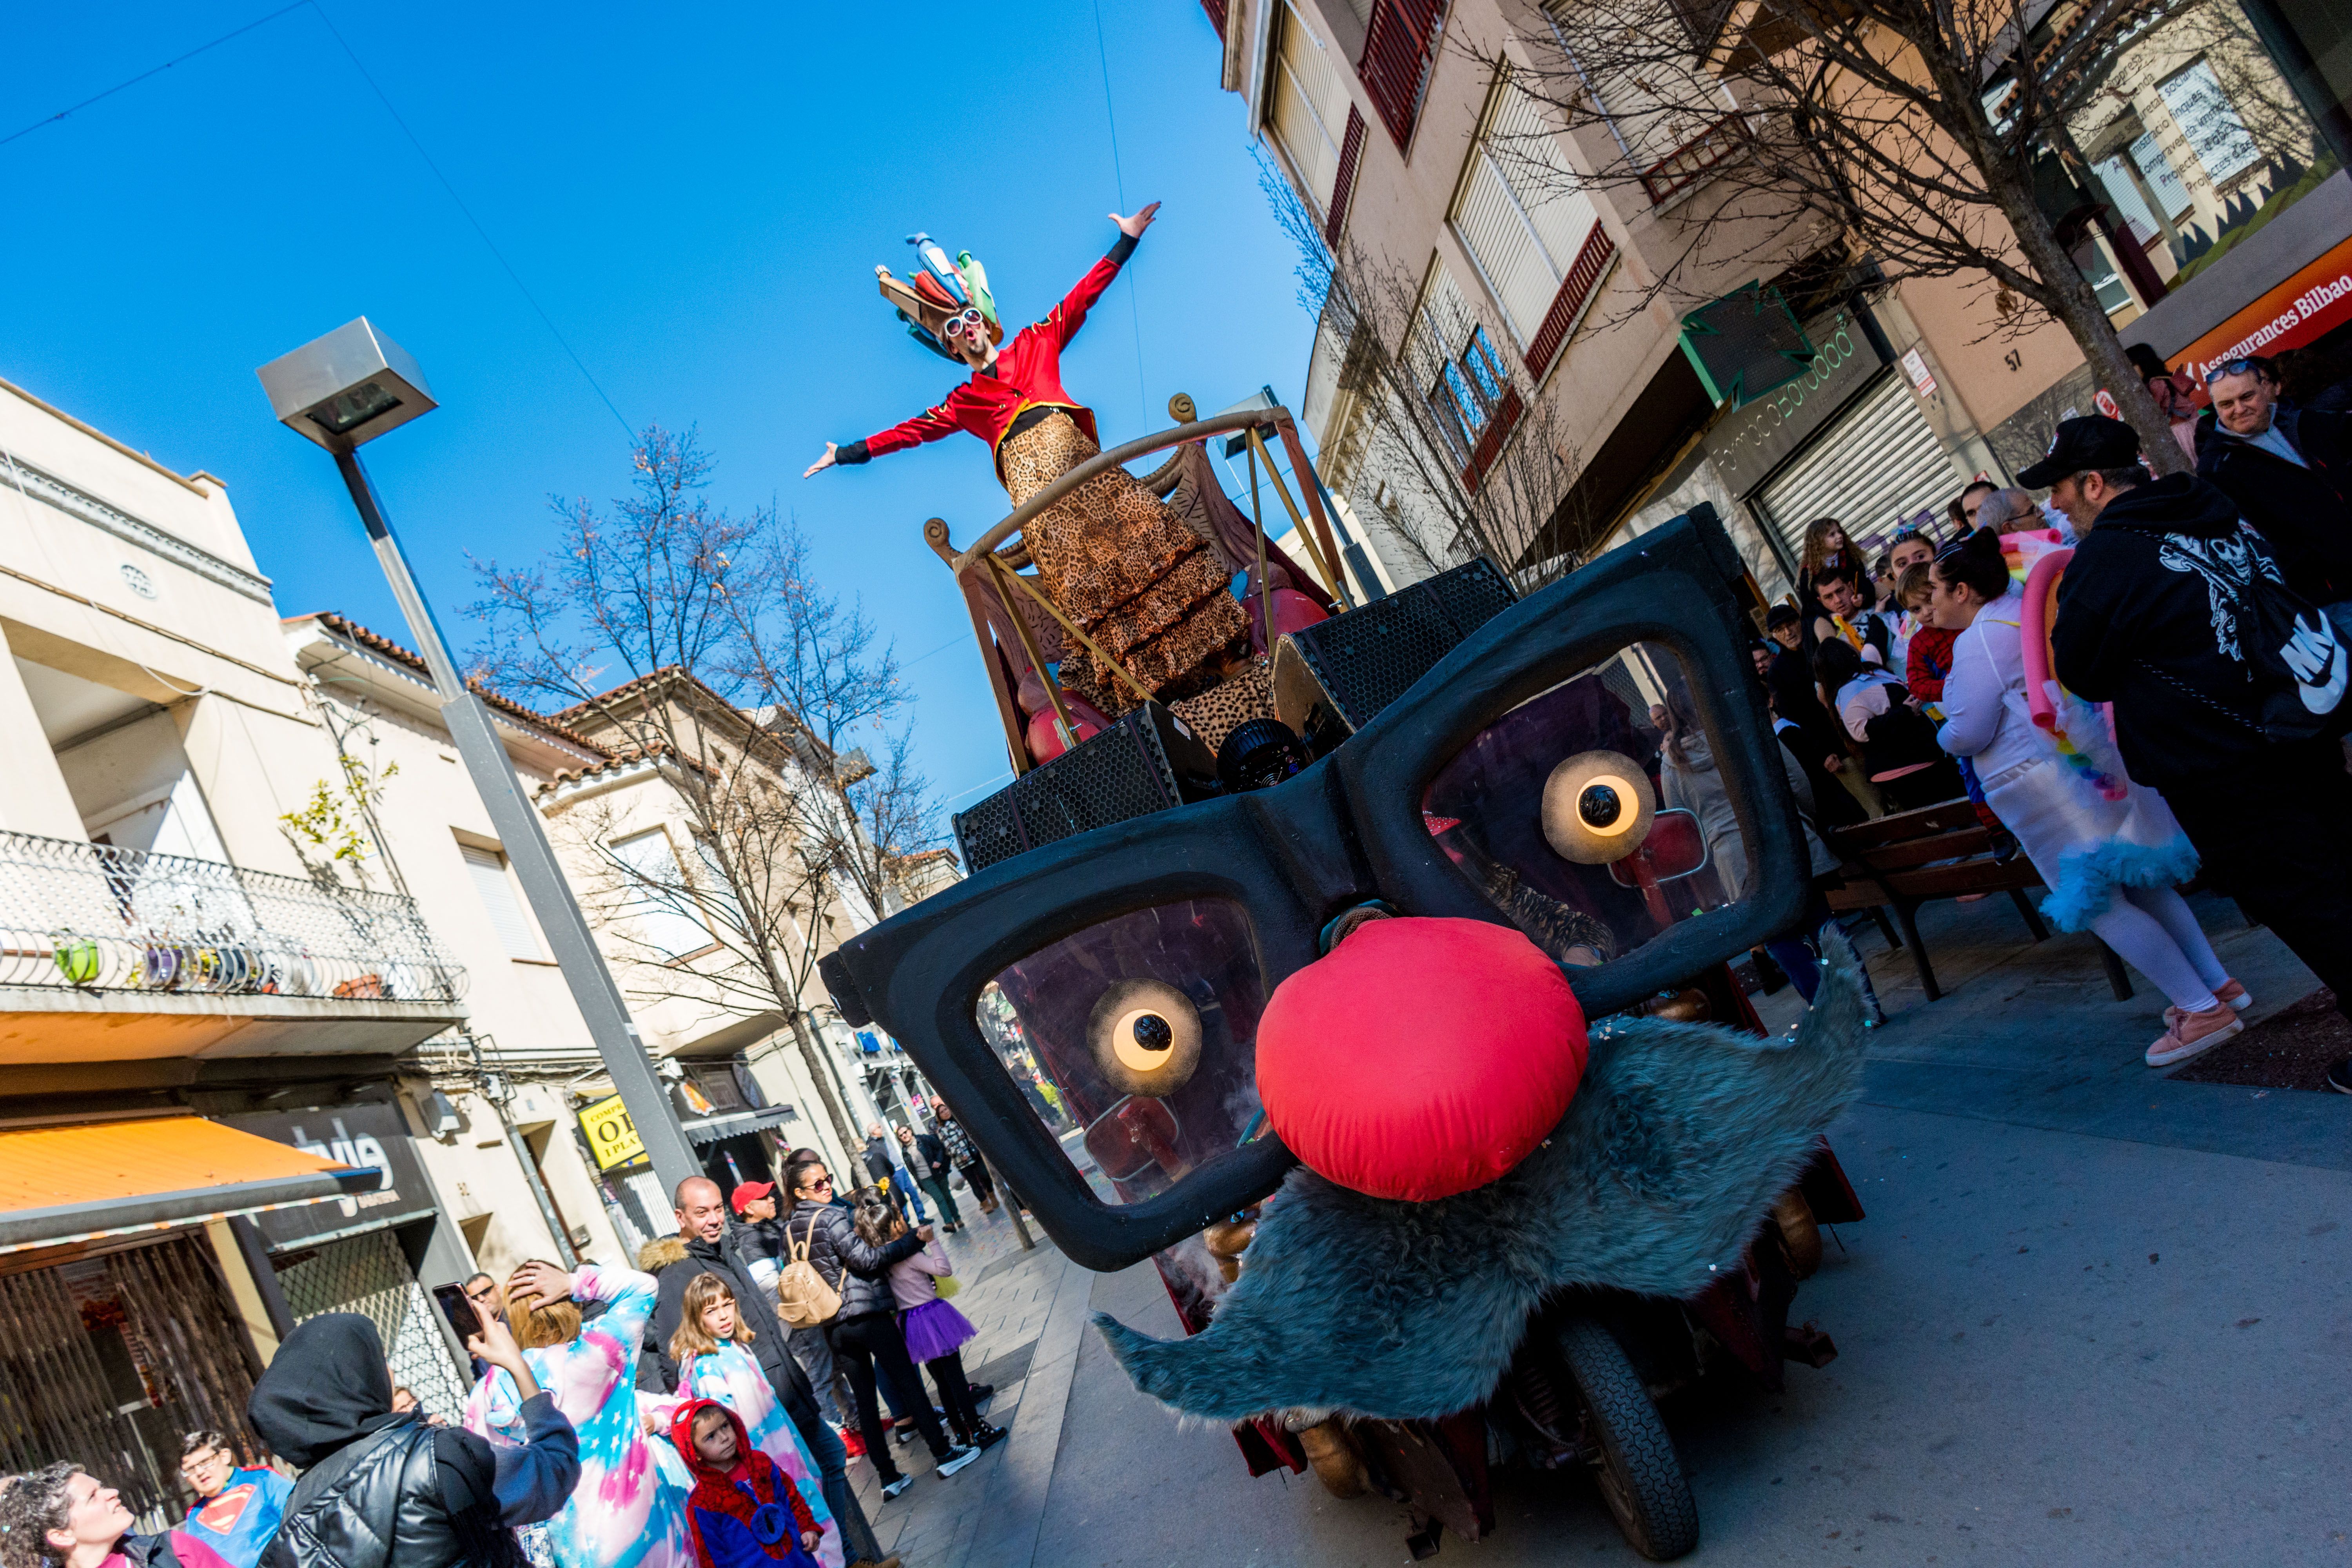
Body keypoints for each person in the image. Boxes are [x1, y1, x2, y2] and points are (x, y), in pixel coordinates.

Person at [806, 204, 1267, 750]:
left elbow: (1082, 300)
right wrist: (847, 454)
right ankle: (1149, 698)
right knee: (1094, 589)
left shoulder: (1035, 342)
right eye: (954, 328)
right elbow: (910, 433)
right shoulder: (963, 401)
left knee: (1150, 553)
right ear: (951, 346)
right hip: (1042, 504)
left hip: (1087, 474)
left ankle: (1222, 660)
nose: (967, 329)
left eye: (969, 317)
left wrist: (1125, 243)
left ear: (984, 319)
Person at [2042, 415, 2352, 1088]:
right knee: (2338, 865)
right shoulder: (2211, 508)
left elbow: (2083, 669)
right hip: (2297, 726)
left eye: (2062, 489)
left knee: (2309, 899)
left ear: (2094, 484)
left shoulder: (2107, 557)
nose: (2056, 504)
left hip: (2221, 764)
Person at [1932, 518, 2249, 1067]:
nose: (1927, 606)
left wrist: (1940, 727)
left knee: (2099, 901)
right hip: (2083, 767)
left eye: (1933, 592)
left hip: (2039, 786)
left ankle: (2201, 1008)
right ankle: (2217, 987)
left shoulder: (1981, 637)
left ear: (1962, 590)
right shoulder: (2025, 607)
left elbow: (1967, 730)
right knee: (2140, 883)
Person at [646, 1178, 896, 1568]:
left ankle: (845, 1557)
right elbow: (674, 1352)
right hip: (753, 1409)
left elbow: (754, 1323)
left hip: (779, 1391)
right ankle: (842, 1559)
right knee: (808, 1478)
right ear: (680, 1217)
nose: (713, 1219)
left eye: (717, 1209)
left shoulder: (721, 1248)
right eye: (702, 1212)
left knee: (822, 1465)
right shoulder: (676, 1272)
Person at [248, 1312, 579, 1568]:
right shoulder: (437, 1455)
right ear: (354, 1379)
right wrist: (516, 1365)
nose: (388, 1372)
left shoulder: (296, 1511)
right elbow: (556, 1467)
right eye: (378, 1360)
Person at [461, 1260, 688, 1568]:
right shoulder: (601, 1351)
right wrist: (574, 1283)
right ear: (571, 1306)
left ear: (512, 1318)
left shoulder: (489, 1390)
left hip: (575, 1553)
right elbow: (643, 1287)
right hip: (655, 1536)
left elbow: (480, 1478)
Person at [783, 1158, 975, 1500]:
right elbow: (867, 1260)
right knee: (908, 1383)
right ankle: (944, 1455)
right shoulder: (830, 1217)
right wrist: (913, 1242)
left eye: (827, 1178)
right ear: (799, 1192)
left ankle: (889, 1478)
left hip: (833, 1326)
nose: (827, 1186)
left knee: (866, 1404)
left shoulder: (789, 1230)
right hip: (866, 1314)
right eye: (817, 1184)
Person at [656, 1275, 839, 1568]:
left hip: (779, 1461)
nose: (724, 1315)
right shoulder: (709, 1364)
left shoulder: (734, 1347)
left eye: (727, 1305)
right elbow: (722, 1425)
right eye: (711, 1310)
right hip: (763, 1469)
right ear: (696, 1318)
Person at [2193, 355, 2352, 609]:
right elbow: (2257, 544)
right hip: (2330, 595)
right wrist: (2325, 563)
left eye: (2246, 397)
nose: (2238, 408)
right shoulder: (2217, 468)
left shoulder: (2300, 423)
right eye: (2226, 404)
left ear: (2266, 390)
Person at [864, 1205, 1005, 1455]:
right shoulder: (910, 1256)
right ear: (895, 1226)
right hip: (932, 1316)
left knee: (941, 1382)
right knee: (956, 1378)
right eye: (900, 1219)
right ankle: (978, 1429)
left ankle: (961, 1434)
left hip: (910, 1323)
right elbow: (943, 1270)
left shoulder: (883, 1263)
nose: (904, 1221)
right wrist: (933, 1243)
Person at [1814, 638, 1962, 811]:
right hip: (1909, 767)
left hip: (1919, 761)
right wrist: (1905, 711)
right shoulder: (1850, 691)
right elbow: (1861, 732)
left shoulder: (1867, 674)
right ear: (1848, 655)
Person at [671, 1400, 821, 1568]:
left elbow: (791, 1496)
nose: (724, 1437)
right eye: (711, 1437)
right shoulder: (701, 1504)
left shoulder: (760, 1463)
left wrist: (807, 1526)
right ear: (695, 1452)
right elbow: (711, 1557)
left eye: (725, 1426)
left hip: (799, 1559)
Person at [0, 1463, 237, 1568]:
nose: (112, 1493)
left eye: (102, 1487)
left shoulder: (173, 1551)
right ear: (62, 1535)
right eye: (93, 1496)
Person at [1764, 606, 1869, 826]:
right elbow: (1798, 720)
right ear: (1774, 636)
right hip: (1834, 747)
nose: (1788, 632)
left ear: (1799, 621)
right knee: (1872, 804)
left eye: (1791, 624)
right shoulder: (1778, 672)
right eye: (1780, 630)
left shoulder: (1820, 646)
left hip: (1863, 729)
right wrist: (1823, 753)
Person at [175, 1432, 291, 1568]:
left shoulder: (264, 1480)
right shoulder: (195, 1517)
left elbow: (303, 1522)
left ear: (224, 1456)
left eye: (205, 1462)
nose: (199, 1472)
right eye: (190, 1469)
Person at [1810, 568, 1893, 668]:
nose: (1838, 600)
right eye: (1829, 597)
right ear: (1821, 602)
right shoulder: (1832, 636)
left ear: (1851, 587)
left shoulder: (1879, 605)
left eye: (1840, 591)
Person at [895, 1126, 960, 1234]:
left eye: (905, 1132)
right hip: (925, 1179)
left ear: (910, 1131)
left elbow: (940, 1147)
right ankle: (949, 1223)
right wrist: (921, 1186)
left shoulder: (923, 1139)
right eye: (901, 1135)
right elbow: (912, 1170)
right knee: (939, 1199)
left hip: (937, 1173)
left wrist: (939, 1161)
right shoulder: (905, 1151)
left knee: (947, 1196)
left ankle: (958, 1219)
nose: (904, 1136)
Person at [930, 1107, 995, 1217]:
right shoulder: (942, 1129)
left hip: (974, 1153)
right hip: (962, 1160)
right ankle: (985, 1204)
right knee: (974, 1183)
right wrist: (960, 1154)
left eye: (946, 1109)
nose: (945, 1113)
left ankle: (991, 1193)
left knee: (986, 1175)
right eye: (942, 1112)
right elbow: (948, 1145)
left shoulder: (959, 1119)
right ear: (939, 1116)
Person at [858, 1128, 926, 1227]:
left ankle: (921, 1217)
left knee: (913, 1193)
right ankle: (905, 1222)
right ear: (873, 1131)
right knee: (900, 1198)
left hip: (901, 1169)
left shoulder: (883, 1140)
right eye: (878, 1127)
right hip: (895, 1174)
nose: (881, 1128)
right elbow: (883, 1161)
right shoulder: (874, 1145)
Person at [729, 1183, 785, 1289]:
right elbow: (772, 1290)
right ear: (749, 1209)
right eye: (764, 1198)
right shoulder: (749, 1242)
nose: (772, 1199)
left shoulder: (773, 1226)